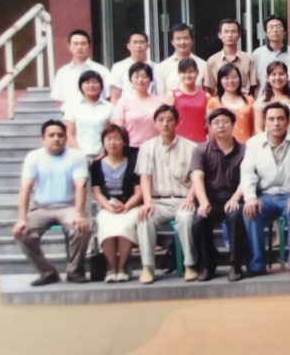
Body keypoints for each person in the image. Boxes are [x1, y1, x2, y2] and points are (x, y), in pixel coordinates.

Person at [12, 120, 91, 286]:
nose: (56, 139)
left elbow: (81, 186)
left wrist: (79, 214)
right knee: (22, 233)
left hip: (68, 206)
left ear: (66, 138)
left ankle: (74, 271)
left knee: (81, 228)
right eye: (51, 135)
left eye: (60, 135)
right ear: (43, 139)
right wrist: (22, 219)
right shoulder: (34, 157)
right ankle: (47, 272)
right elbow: (25, 188)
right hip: (41, 207)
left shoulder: (76, 156)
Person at [241, 102, 290, 277]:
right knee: (250, 211)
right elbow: (248, 172)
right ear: (265, 121)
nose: (276, 123)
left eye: (280, 119)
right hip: (265, 195)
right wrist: (250, 197)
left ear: (288, 121)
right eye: (271, 119)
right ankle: (257, 264)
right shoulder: (254, 143)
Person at [135, 104, 198, 284]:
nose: (165, 124)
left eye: (170, 119)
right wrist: (147, 201)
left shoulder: (191, 147)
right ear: (155, 123)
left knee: (186, 218)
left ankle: (190, 265)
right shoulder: (146, 148)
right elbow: (145, 177)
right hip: (158, 202)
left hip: (183, 200)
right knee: (145, 217)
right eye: (161, 120)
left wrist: (190, 199)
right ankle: (148, 267)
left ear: (177, 122)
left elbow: (197, 178)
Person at [190, 108, 248, 282]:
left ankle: (236, 265)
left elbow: (248, 177)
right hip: (211, 198)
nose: (221, 126)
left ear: (233, 124)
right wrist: (203, 202)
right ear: (210, 126)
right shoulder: (201, 149)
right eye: (216, 122)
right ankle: (207, 265)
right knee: (199, 220)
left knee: (235, 216)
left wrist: (235, 198)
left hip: (236, 196)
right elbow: (197, 176)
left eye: (225, 122)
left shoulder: (245, 150)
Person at [90, 124, 141, 282]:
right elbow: (97, 192)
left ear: (124, 142)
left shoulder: (133, 163)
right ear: (103, 142)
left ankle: (123, 267)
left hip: (130, 206)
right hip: (108, 207)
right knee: (106, 226)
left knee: (125, 227)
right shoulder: (96, 165)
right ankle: (112, 268)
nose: (113, 143)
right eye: (109, 139)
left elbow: (138, 192)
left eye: (117, 139)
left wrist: (126, 206)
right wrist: (109, 207)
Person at [50, 29, 110, 110]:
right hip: (71, 115)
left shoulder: (101, 70)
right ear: (69, 47)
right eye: (75, 44)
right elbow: (60, 100)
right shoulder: (63, 72)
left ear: (89, 46)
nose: (79, 47)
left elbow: (108, 97)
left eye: (83, 44)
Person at [113, 62, 164, 155]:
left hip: (155, 148)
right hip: (130, 149)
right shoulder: (123, 102)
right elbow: (119, 128)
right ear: (131, 79)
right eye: (136, 77)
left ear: (150, 79)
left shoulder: (160, 102)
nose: (140, 80)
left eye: (144, 76)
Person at [64, 70, 114, 157]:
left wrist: (103, 154)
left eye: (95, 82)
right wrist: (79, 155)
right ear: (81, 86)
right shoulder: (73, 107)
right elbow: (69, 134)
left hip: (104, 155)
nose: (91, 85)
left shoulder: (109, 108)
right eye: (87, 82)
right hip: (78, 155)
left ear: (101, 86)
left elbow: (113, 133)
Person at [205, 19, 256, 97]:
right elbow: (210, 88)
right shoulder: (212, 61)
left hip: (244, 100)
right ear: (219, 35)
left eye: (233, 31)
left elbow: (254, 86)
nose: (230, 35)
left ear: (239, 35)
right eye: (226, 31)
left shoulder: (248, 59)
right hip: (220, 101)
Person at [206, 63, 255, 143]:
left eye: (234, 77)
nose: (230, 81)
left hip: (246, 146)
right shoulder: (213, 102)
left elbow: (254, 128)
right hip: (222, 147)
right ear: (220, 80)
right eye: (226, 78)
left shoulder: (250, 100)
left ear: (239, 78)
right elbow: (211, 129)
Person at [254, 61, 290, 134]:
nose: (277, 77)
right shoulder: (260, 101)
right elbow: (258, 128)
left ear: (287, 76)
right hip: (269, 140)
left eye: (281, 74)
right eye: (273, 74)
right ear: (267, 78)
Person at [164, 57, 208, 143]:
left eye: (191, 72)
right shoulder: (172, 95)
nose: (187, 75)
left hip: (200, 141)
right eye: (184, 72)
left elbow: (210, 122)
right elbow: (167, 121)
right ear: (179, 73)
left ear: (197, 73)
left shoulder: (206, 96)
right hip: (178, 141)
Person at [157, 23, 208, 96]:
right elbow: (161, 95)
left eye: (186, 38)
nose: (182, 42)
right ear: (172, 42)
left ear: (192, 41)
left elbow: (208, 94)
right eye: (178, 39)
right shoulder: (163, 67)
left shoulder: (203, 65)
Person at [251, 14, 290, 94]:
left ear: (285, 31)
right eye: (271, 27)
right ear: (265, 32)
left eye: (278, 26)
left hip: (289, 97)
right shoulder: (257, 54)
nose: (275, 30)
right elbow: (257, 83)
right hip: (265, 98)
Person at [110, 31, 159, 102]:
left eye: (142, 42)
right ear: (128, 46)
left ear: (147, 46)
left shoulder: (157, 68)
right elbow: (115, 97)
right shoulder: (118, 67)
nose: (138, 46)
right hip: (127, 107)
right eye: (135, 42)